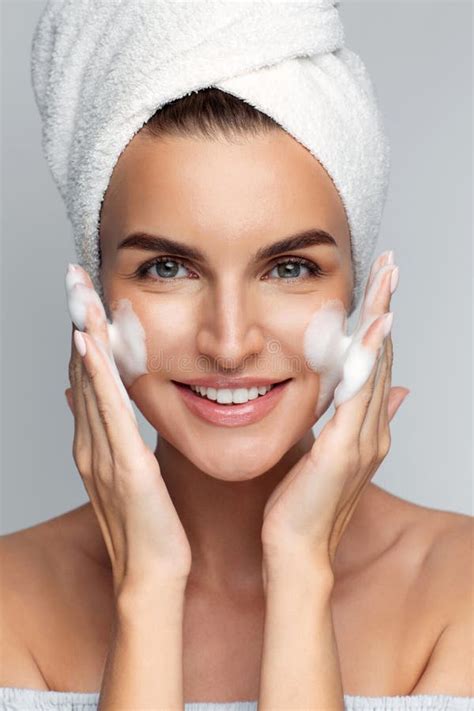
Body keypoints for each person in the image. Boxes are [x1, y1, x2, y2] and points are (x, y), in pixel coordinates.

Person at [0, 87, 471, 711]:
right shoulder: (11, 601)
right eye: (167, 268)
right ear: (93, 296)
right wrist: (146, 590)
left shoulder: (459, 592)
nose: (229, 344)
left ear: (360, 291)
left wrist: (301, 571)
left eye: (289, 268)